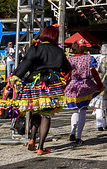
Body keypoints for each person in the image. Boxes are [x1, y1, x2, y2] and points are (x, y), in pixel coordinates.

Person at [11, 25, 71, 155]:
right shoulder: (59, 51)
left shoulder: (35, 48)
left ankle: (32, 139)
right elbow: (67, 68)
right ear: (55, 36)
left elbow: (25, 64)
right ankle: (41, 147)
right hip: (51, 84)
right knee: (46, 115)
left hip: (34, 83)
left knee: (35, 112)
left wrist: (16, 76)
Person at [64, 40, 102, 145]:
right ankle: (79, 136)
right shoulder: (89, 59)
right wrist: (100, 85)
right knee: (83, 110)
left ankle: (72, 132)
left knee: (75, 110)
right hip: (86, 86)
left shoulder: (70, 60)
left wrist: (63, 86)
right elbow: (95, 73)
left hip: (73, 86)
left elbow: (66, 75)